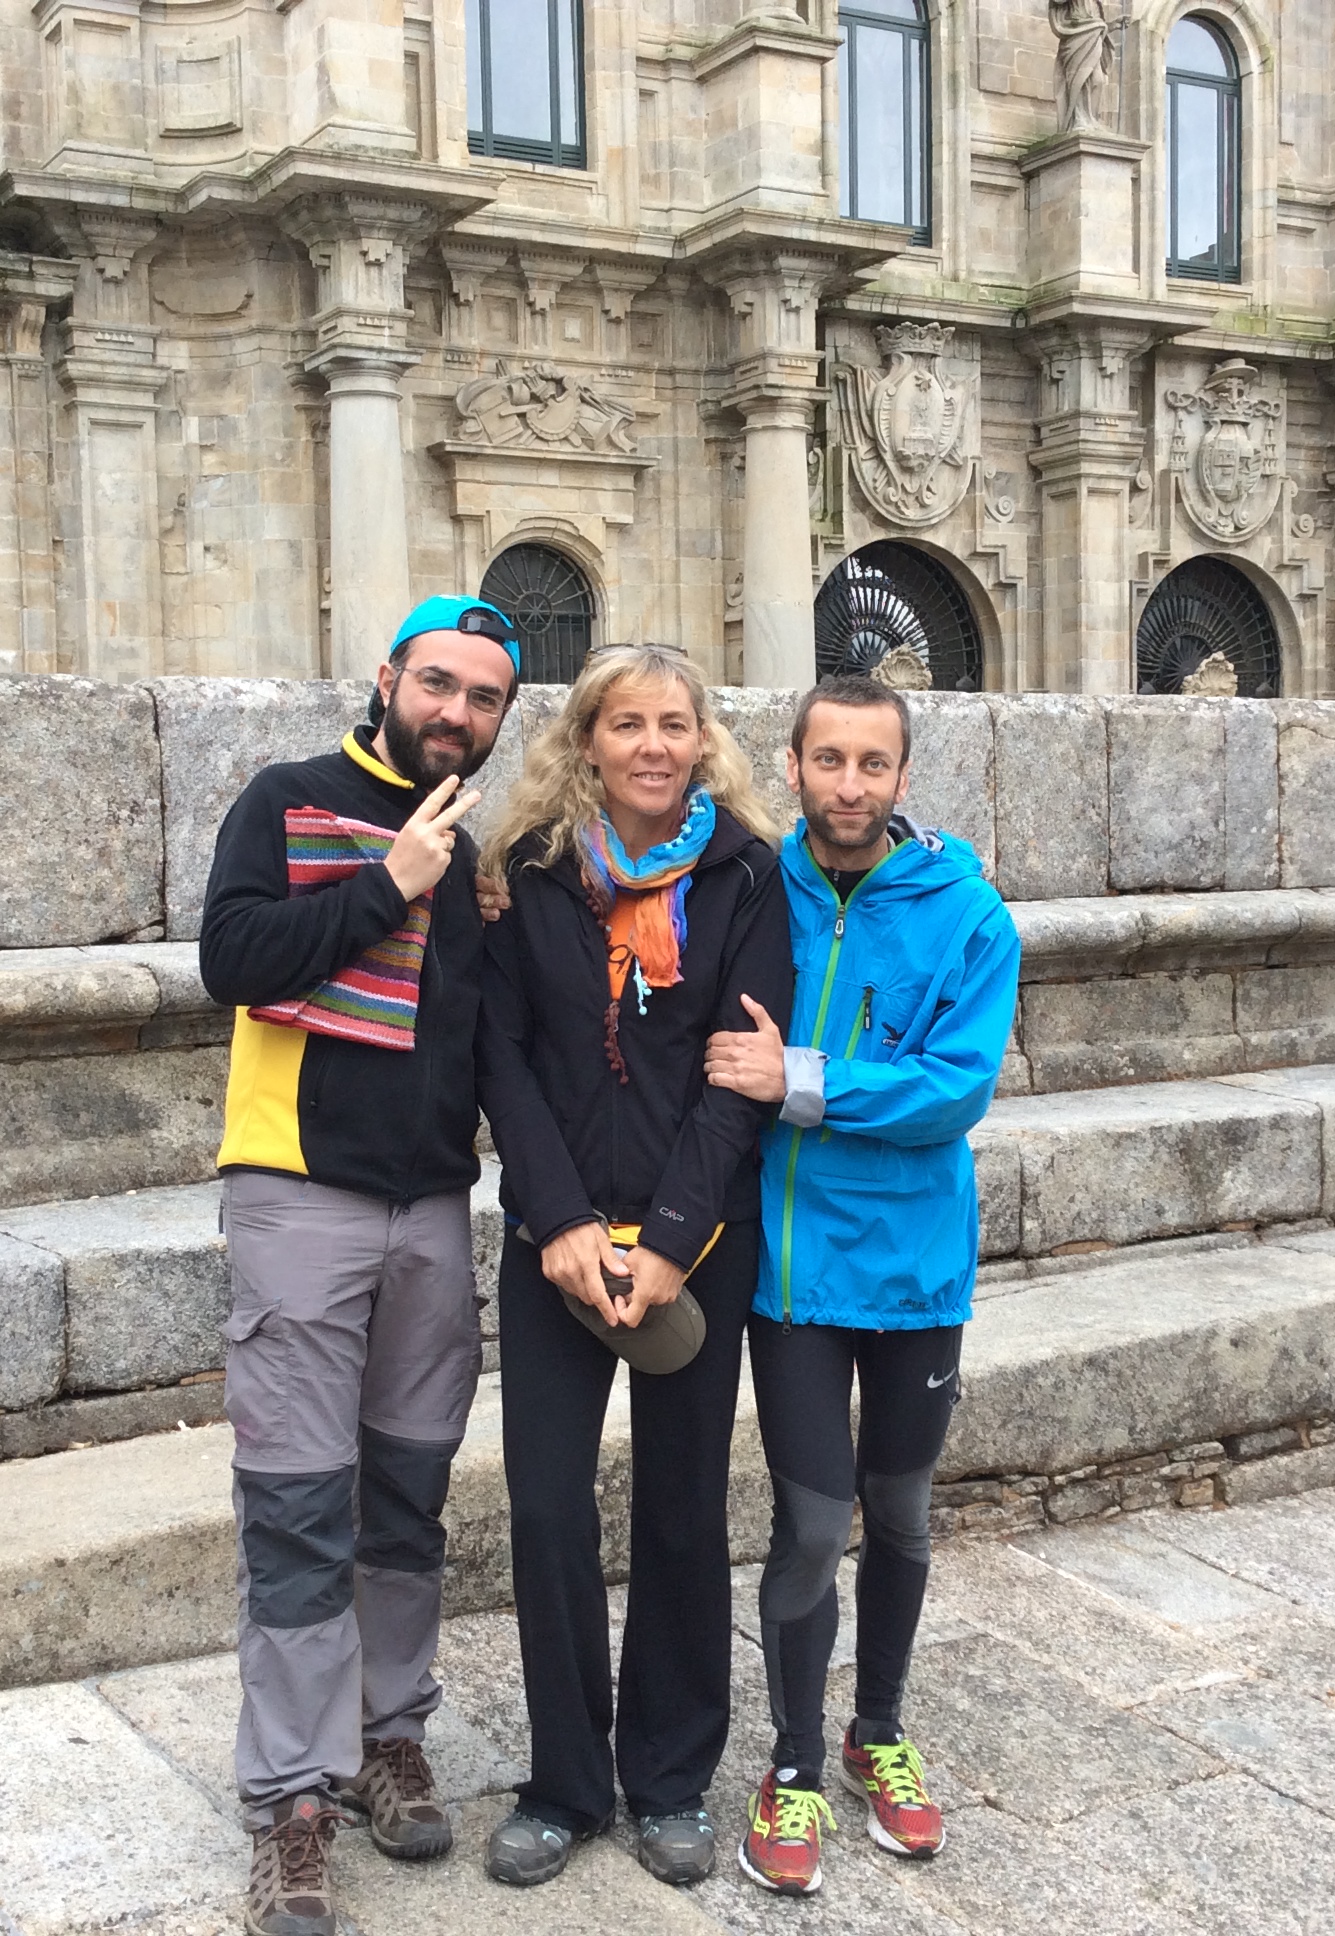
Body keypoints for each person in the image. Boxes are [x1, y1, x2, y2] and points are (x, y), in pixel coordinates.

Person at [197, 595, 523, 1936]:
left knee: (404, 1500)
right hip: (298, 1200)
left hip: (431, 1211)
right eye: (438, 683)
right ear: (386, 677)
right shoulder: (287, 799)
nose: (456, 712)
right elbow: (234, 959)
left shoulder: (482, 856)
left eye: (484, 698)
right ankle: (291, 1799)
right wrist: (388, 882)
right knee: (293, 1507)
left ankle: (391, 1737)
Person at [473, 644, 796, 1890]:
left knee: (680, 1509)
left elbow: (742, 1072)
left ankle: (668, 1780)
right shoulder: (531, 876)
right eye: (627, 725)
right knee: (550, 1508)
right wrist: (555, 1222)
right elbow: (505, 1058)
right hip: (552, 1235)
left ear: (703, 740)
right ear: (587, 741)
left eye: (675, 724)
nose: (653, 746)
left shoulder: (745, 877)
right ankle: (564, 1782)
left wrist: (667, 1241)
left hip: (695, 1241)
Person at [702, 674, 1021, 1898]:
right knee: (810, 1520)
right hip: (791, 1271)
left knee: (900, 1511)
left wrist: (800, 1079)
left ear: (902, 776)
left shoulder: (970, 913)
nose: (849, 785)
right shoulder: (753, 886)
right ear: (794, 766)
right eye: (827, 760)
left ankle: (874, 1728)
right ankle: (787, 1760)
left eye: (872, 764)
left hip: (914, 1272)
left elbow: (956, 1089)